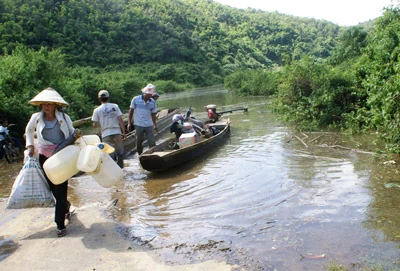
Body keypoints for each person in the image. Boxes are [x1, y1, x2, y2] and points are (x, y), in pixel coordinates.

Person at [25, 87, 80, 237]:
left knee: (61, 189)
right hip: (44, 156)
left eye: (49, 104)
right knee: (53, 190)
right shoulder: (36, 117)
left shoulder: (63, 117)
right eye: (44, 104)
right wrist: (30, 145)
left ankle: (60, 225)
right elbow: (29, 131)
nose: (46, 107)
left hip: (62, 156)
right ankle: (66, 207)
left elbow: (71, 132)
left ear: (56, 105)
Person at [91, 90, 126, 168]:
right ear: (108, 97)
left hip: (106, 133)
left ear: (99, 99)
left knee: (109, 153)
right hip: (117, 131)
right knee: (120, 152)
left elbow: (95, 125)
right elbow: (120, 119)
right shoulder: (115, 106)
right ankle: (121, 169)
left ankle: (113, 169)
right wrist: (123, 132)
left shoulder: (97, 110)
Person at [127, 84, 158, 155]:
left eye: (151, 95)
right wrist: (129, 123)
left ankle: (153, 155)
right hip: (138, 124)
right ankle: (140, 155)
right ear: (144, 93)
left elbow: (153, 115)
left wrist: (155, 125)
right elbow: (131, 111)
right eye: (148, 95)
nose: (149, 96)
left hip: (149, 124)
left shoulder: (152, 102)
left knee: (151, 141)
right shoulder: (135, 99)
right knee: (139, 141)